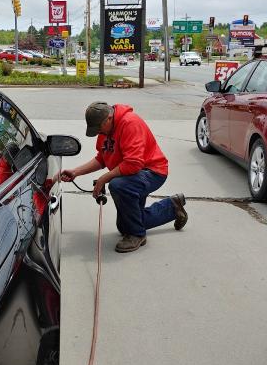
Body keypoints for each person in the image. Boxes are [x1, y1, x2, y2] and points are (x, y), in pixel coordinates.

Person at [61, 102, 188, 254]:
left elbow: (133, 164)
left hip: (152, 172)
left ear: (108, 118)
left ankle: (137, 235)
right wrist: (76, 172)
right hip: (133, 175)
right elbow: (102, 158)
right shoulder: (105, 131)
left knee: (118, 185)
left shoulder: (130, 123)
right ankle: (172, 206)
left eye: (99, 128)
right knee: (124, 226)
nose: (99, 133)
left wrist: (104, 178)